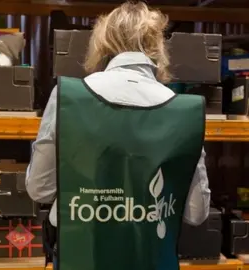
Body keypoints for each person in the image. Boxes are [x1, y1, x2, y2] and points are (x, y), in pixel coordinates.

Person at [25, 2, 211, 270]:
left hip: (82, 258)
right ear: (157, 46)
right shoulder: (186, 112)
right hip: (151, 259)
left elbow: (39, 189)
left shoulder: (68, 98)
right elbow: (196, 213)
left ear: (102, 44)